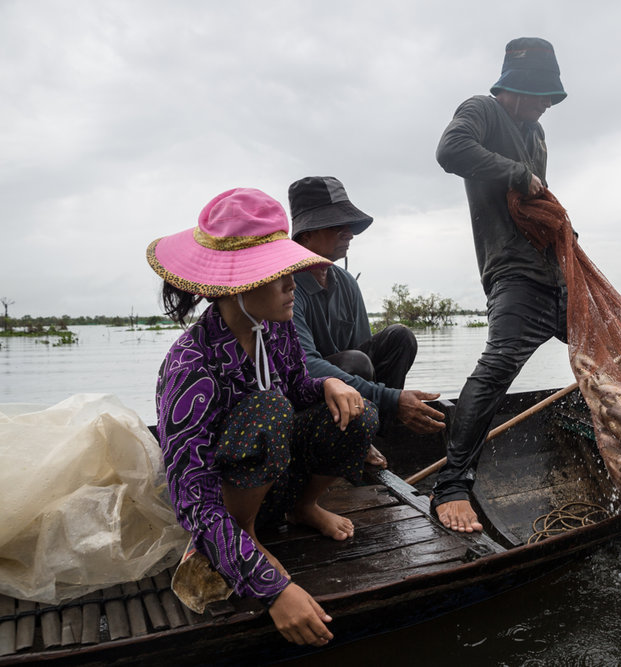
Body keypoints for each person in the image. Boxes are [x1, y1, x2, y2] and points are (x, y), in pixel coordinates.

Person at [148, 188, 377, 647]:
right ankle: (247, 537)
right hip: (224, 507)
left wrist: (328, 384)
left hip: (277, 478)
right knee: (269, 410)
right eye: (278, 276)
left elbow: (296, 385)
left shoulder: (277, 327)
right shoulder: (191, 365)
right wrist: (272, 592)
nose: (293, 284)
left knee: (360, 414)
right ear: (239, 285)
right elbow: (192, 498)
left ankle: (302, 506)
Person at [432, 37, 569, 532]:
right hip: (512, 272)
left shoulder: (537, 135)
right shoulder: (482, 112)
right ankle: (451, 484)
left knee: (609, 354)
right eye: (536, 97)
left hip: (554, 271)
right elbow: (450, 150)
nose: (541, 108)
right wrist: (514, 171)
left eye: (548, 101)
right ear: (512, 88)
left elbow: (536, 201)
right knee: (498, 368)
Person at [288, 175, 446, 439]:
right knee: (355, 362)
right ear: (306, 235)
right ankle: (359, 436)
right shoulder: (287, 288)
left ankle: (375, 434)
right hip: (310, 395)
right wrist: (392, 397)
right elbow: (306, 366)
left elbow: (367, 362)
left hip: (352, 396)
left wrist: (387, 398)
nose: (349, 233)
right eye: (337, 226)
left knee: (400, 337)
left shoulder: (347, 283)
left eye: (347, 225)